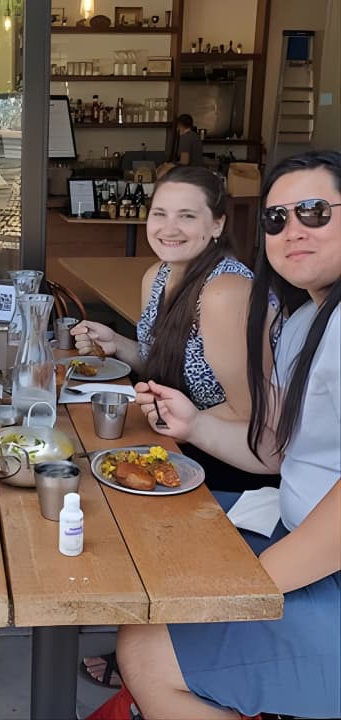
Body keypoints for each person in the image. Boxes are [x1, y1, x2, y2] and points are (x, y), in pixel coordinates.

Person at [99, 150, 341, 720]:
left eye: (314, 212)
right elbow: (275, 450)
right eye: (277, 218)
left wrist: (243, 586)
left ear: (216, 225)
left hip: (325, 570)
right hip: (290, 525)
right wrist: (196, 424)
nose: (293, 230)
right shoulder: (307, 317)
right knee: (145, 551)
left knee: (146, 648)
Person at [71, 166, 279, 686]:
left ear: (217, 224)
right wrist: (120, 346)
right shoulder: (159, 275)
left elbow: (253, 419)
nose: (169, 227)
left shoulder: (226, 291)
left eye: (187, 216)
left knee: (108, 505)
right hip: (181, 438)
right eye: (159, 213)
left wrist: (181, 428)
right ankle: (145, 639)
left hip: (234, 462)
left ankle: (160, 660)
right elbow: (169, 365)